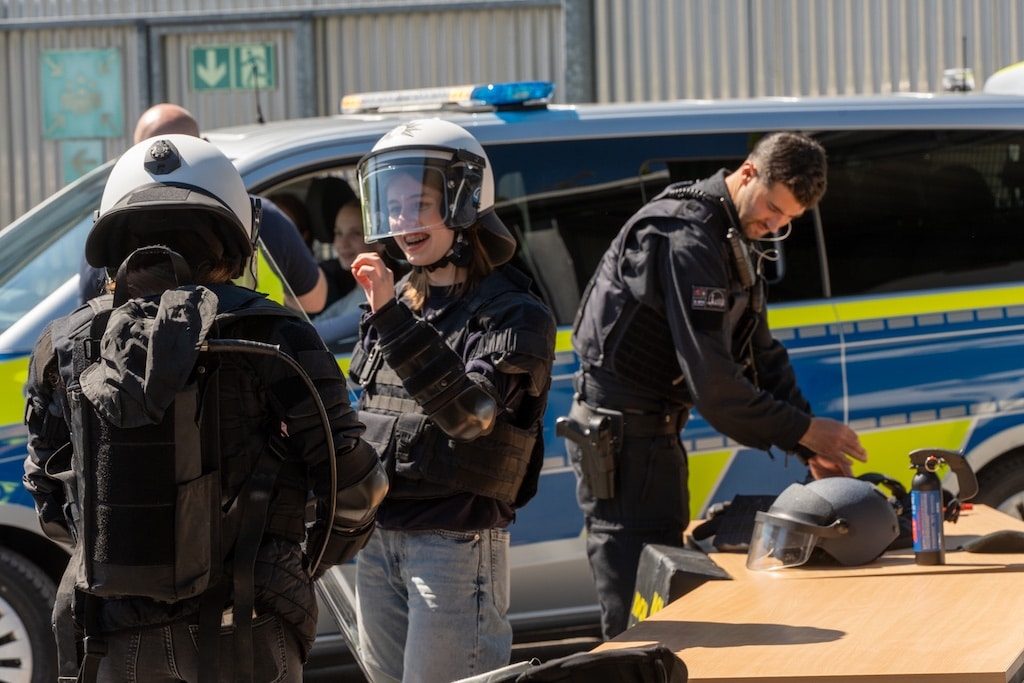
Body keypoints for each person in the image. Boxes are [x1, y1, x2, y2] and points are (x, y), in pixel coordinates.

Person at [23, 134, 388, 682]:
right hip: (250, 627)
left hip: (112, 636)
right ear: (236, 238)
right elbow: (357, 490)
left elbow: (51, 501)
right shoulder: (278, 333)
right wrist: (289, 566)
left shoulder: (64, 342)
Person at [565, 131, 869, 640]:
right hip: (621, 443)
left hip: (651, 438)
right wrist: (807, 429)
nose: (772, 226)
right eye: (771, 209)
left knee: (666, 593)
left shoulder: (733, 235)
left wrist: (804, 442)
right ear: (748, 172)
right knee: (640, 613)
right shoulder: (687, 237)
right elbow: (715, 384)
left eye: (786, 221)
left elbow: (761, 353)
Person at [347, 119, 556, 683]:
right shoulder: (394, 304)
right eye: (391, 207)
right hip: (378, 538)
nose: (402, 222)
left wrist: (390, 317)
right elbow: (365, 414)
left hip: (453, 544)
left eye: (418, 203)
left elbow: (471, 417)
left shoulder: (516, 314)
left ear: (464, 203)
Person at [78, 103, 328, 315]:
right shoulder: (258, 218)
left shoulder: (110, 234)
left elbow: (94, 320)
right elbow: (314, 300)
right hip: (250, 359)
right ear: (205, 146)